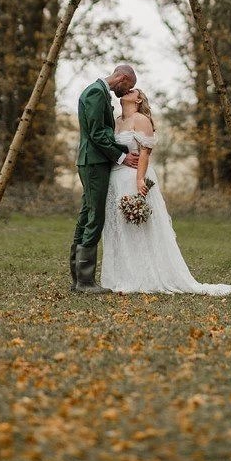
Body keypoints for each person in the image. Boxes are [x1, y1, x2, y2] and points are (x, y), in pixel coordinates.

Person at [100, 88, 231, 296]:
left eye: (133, 90)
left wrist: (139, 179)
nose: (127, 91)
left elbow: (146, 151)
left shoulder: (141, 119)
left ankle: (145, 276)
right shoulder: (117, 121)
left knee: (140, 227)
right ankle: (124, 274)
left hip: (135, 176)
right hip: (115, 178)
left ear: (138, 100)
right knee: (121, 227)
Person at [71, 64, 140, 294]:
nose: (126, 91)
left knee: (87, 215)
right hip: (93, 163)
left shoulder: (100, 92)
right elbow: (97, 133)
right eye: (128, 86)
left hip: (95, 162)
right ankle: (85, 282)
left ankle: (78, 279)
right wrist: (122, 157)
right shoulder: (95, 92)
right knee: (95, 218)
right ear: (121, 78)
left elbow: (104, 132)